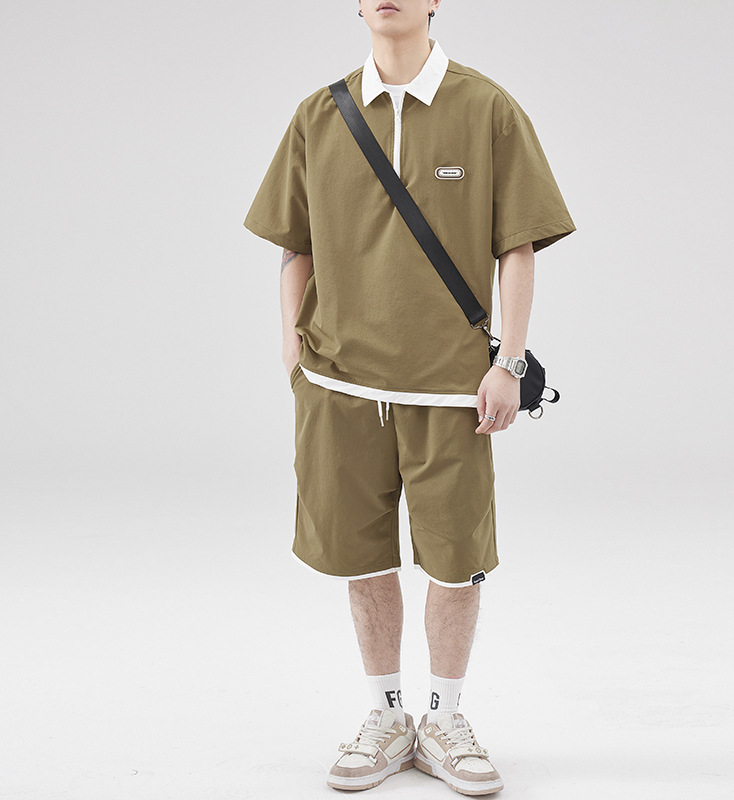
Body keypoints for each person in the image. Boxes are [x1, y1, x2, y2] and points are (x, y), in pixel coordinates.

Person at [243, 0, 575, 794]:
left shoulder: (487, 108)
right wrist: (293, 347)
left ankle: (445, 718)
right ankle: (387, 715)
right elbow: (295, 245)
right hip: (338, 383)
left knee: (456, 562)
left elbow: (518, 246)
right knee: (361, 556)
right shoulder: (318, 115)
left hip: (452, 389)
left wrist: (510, 361)